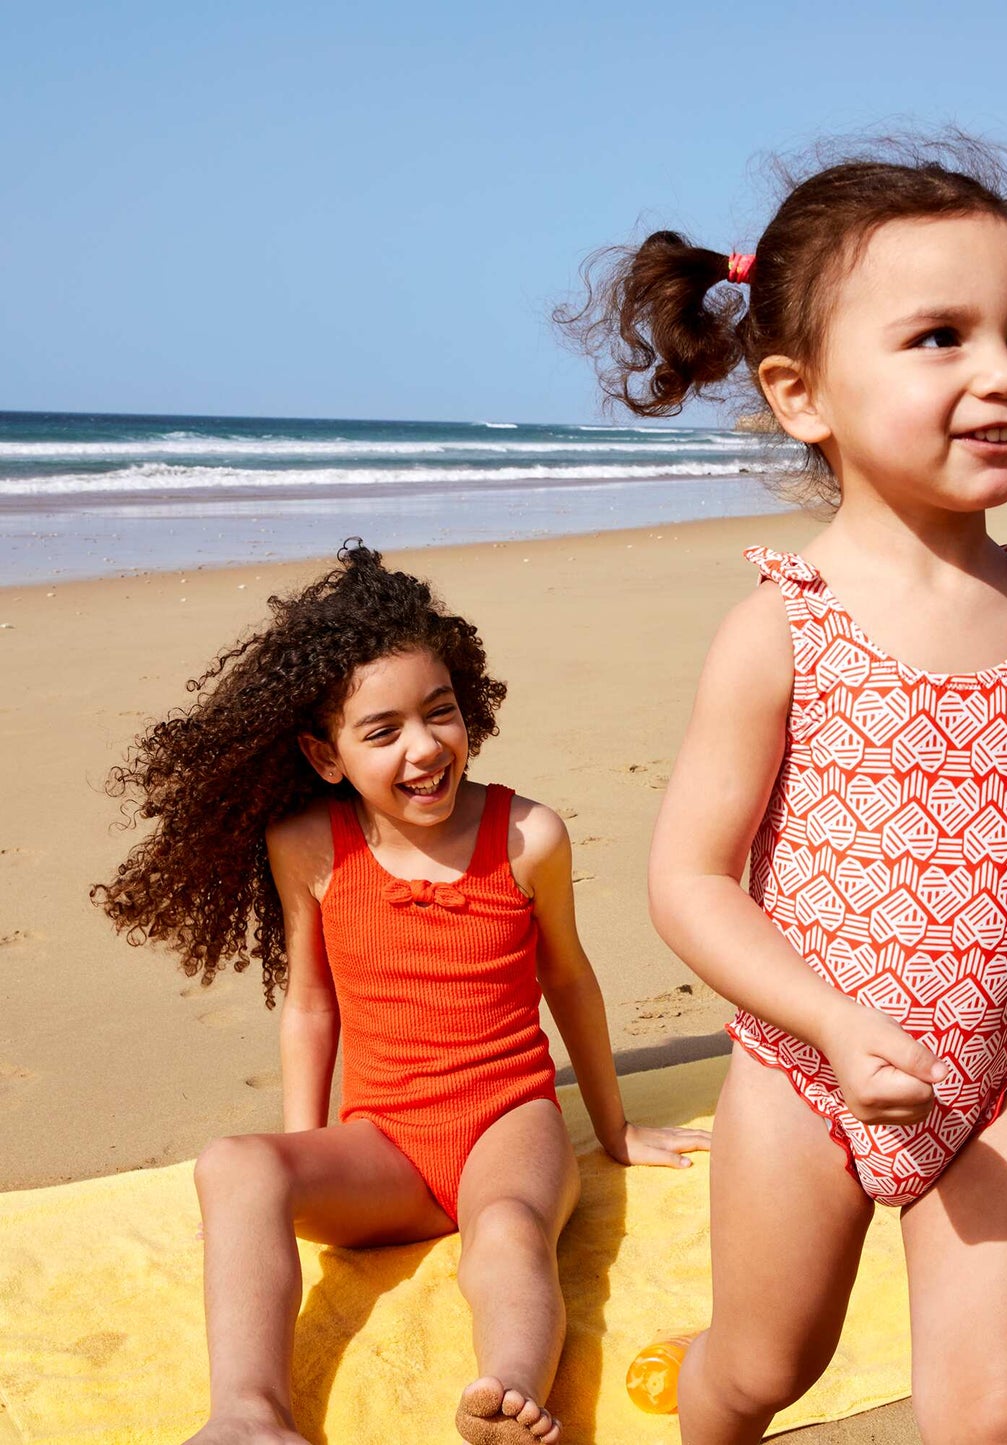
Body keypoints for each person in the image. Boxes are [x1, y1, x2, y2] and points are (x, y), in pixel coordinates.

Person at [565, 134, 1007, 1443]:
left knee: (1000, 1417)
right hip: (798, 1077)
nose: (1002, 372)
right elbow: (690, 880)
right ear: (798, 392)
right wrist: (824, 1022)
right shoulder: (782, 629)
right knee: (764, 1371)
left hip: (998, 1081)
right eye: (939, 336)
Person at [94, 542, 708, 1445]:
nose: (424, 748)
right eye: (382, 731)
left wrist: (610, 1127)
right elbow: (310, 1005)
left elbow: (568, 976)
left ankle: (506, 1391)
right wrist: (300, 1159)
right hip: (384, 1143)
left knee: (504, 1231)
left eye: (440, 713)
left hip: (509, 1123)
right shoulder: (307, 843)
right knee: (234, 1165)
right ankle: (249, 1416)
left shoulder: (528, 835)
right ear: (325, 753)